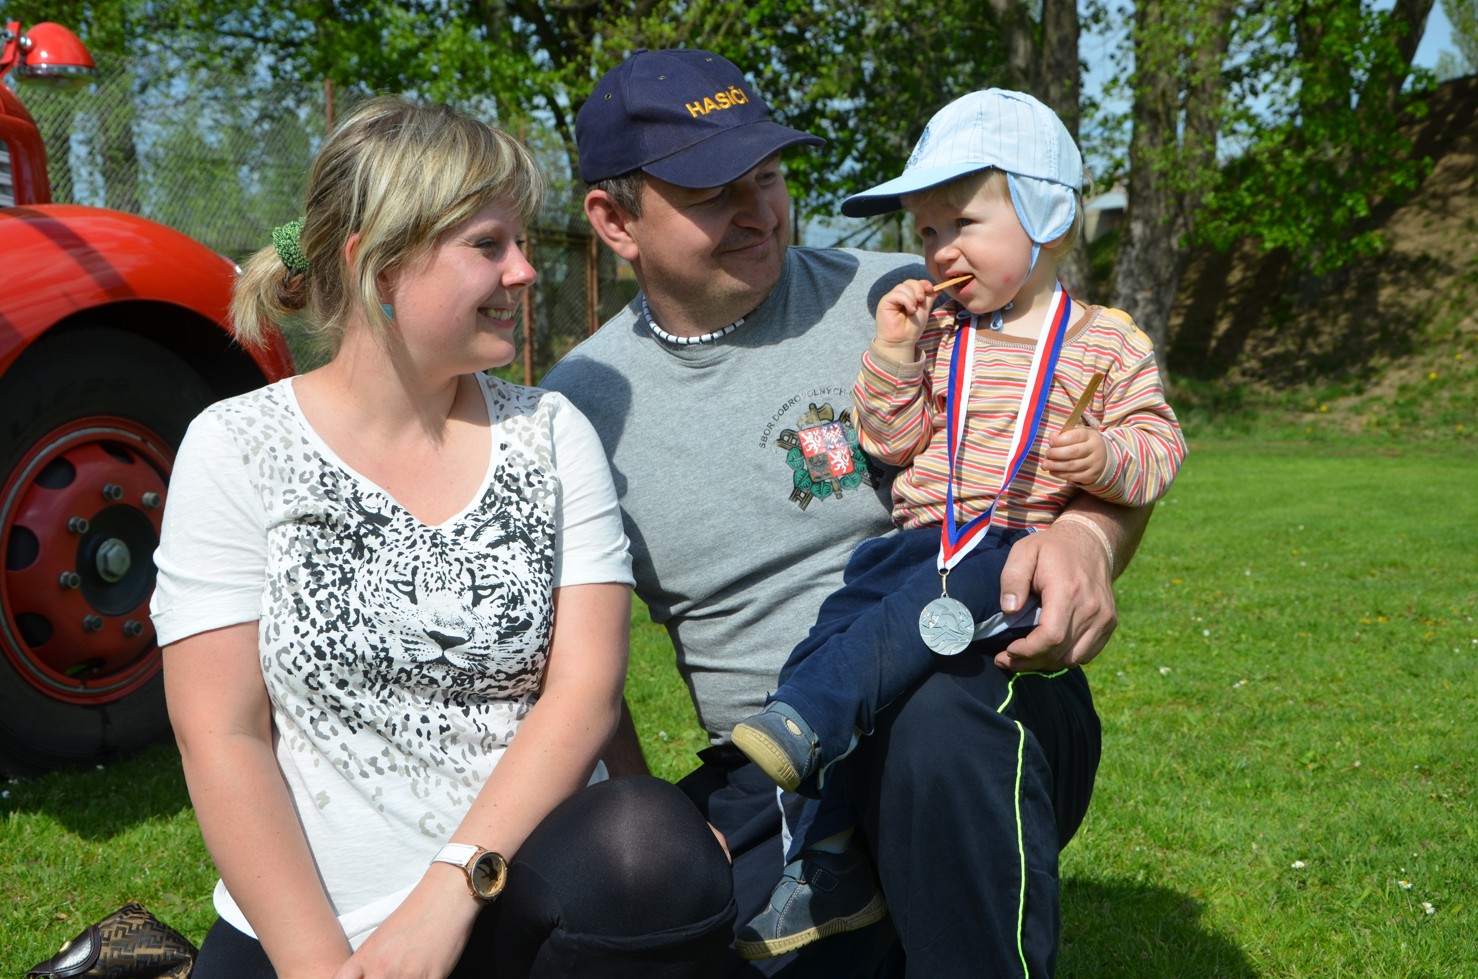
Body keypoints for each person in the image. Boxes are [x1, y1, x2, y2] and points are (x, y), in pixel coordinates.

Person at [545, 49, 1152, 977]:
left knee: (938, 716)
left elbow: (1106, 431)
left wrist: (1087, 538)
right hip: (774, 776)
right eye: (715, 192)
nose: (761, 211)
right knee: (627, 885)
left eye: (769, 176)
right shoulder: (581, 405)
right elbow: (576, 657)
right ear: (614, 220)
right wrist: (663, 820)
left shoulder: (913, 297)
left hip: (982, 708)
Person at [150, 95, 734, 979]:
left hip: (518, 896)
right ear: (378, 267)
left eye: (521, 242)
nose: (524, 271)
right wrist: (321, 967)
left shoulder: (550, 433)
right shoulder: (237, 446)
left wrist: (449, 895)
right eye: (487, 245)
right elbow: (220, 734)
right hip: (312, 929)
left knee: (650, 835)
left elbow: (585, 693)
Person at [727, 88, 1188, 958]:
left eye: (964, 222)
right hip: (912, 547)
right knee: (838, 627)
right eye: (926, 229)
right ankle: (827, 853)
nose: (940, 249)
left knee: (867, 668)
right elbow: (889, 442)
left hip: (1012, 549)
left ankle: (806, 719)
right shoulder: (939, 329)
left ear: (1048, 214)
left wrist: (1101, 459)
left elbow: (1159, 449)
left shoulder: (1106, 342)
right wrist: (893, 353)